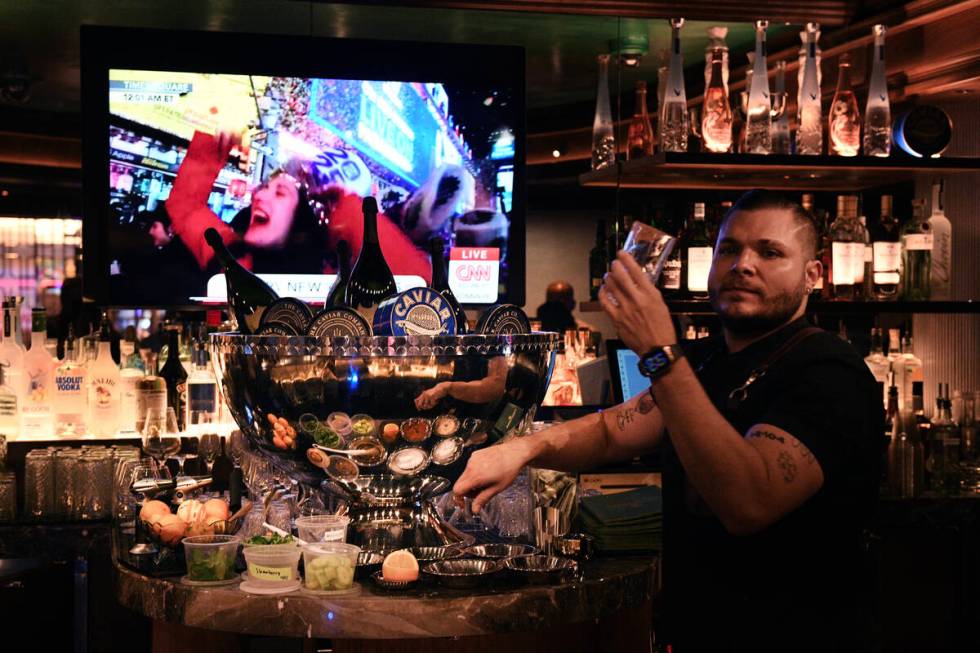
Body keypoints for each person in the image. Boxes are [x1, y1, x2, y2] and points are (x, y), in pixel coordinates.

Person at [454, 191, 885, 652]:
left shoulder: (828, 371)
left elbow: (748, 502)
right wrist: (523, 448)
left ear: (812, 275)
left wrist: (661, 353)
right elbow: (609, 430)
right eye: (729, 249)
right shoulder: (706, 359)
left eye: (770, 251)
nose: (743, 264)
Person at [165, 130, 431, 283]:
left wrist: (346, 205)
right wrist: (214, 142)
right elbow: (185, 205)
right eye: (264, 188)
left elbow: (420, 288)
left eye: (280, 193)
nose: (260, 196)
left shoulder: (338, 284)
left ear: (300, 222)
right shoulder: (228, 255)